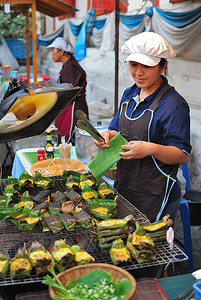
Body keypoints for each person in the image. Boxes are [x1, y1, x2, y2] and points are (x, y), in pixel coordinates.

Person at [95, 32, 192, 223]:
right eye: (133, 65)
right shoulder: (129, 94)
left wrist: (150, 149)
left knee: (147, 247)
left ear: (162, 66)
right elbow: (117, 131)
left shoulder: (174, 105)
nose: (138, 73)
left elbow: (181, 154)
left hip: (154, 194)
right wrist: (107, 135)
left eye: (147, 66)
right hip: (125, 182)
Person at [47, 37, 88, 144]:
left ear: (61, 51)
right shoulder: (68, 65)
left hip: (74, 109)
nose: (52, 54)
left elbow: (72, 90)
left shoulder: (72, 67)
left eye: (54, 50)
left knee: (73, 140)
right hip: (69, 107)